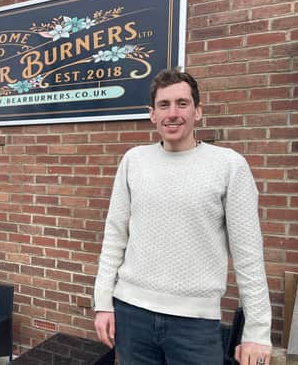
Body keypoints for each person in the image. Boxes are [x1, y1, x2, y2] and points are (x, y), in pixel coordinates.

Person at [93, 68, 272, 365]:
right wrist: (103, 303)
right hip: (131, 315)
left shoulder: (229, 166)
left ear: (198, 111)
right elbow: (114, 236)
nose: (172, 113)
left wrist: (257, 331)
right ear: (152, 114)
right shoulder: (133, 161)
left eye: (182, 104)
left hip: (195, 325)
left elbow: (248, 254)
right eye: (164, 105)